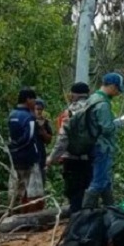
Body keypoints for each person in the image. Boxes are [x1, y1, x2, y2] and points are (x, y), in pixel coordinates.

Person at [82, 73, 124, 209]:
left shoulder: (92, 99)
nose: (118, 93)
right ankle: (85, 215)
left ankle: (111, 209)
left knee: (105, 180)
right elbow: (107, 128)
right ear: (113, 87)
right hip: (102, 147)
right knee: (99, 181)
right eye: (118, 89)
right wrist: (118, 123)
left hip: (94, 145)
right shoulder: (102, 104)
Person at [47, 82, 92, 213]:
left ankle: (75, 225)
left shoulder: (70, 111)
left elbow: (63, 138)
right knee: (87, 191)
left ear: (73, 94)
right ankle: (86, 223)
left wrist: (52, 158)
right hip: (89, 158)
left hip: (72, 159)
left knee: (74, 194)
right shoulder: (94, 109)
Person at [7, 88, 41, 211]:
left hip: (15, 157)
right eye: (34, 99)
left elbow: (11, 137)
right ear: (28, 99)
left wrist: (14, 148)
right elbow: (29, 137)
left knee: (16, 186)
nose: (35, 102)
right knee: (32, 189)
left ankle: (13, 211)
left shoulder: (12, 115)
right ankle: (32, 217)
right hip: (29, 157)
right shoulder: (28, 117)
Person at [34, 98, 53, 183]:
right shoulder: (29, 120)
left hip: (41, 155)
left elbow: (49, 140)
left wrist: (43, 132)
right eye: (37, 109)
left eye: (40, 109)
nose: (39, 111)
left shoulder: (45, 123)